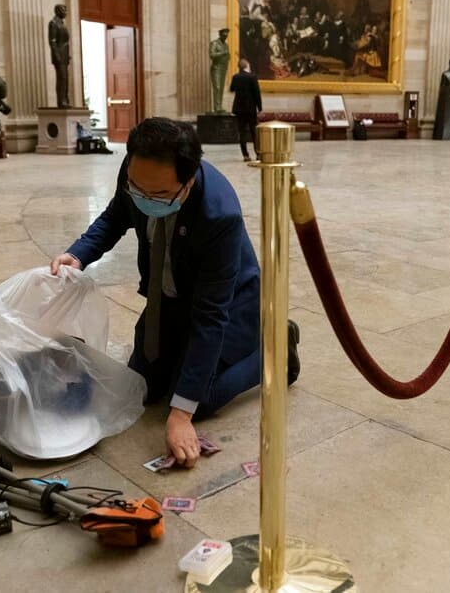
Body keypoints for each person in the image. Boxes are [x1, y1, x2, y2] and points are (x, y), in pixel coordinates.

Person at [49, 118, 300, 469]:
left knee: (201, 399)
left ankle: (276, 348)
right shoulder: (139, 168)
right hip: (169, 297)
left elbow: (212, 315)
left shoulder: (219, 214)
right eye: (138, 189)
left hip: (229, 303)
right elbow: (115, 215)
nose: (146, 198)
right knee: (143, 385)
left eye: (161, 194)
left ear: (190, 179)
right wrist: (78, 254)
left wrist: (182, 416)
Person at [229, 59, 262, 162]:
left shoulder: (235, 77)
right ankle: (258, 154)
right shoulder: (252, 77)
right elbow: (257, 93)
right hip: (250, 108)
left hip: (239, 109)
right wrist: (259, 107)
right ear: (247, 65)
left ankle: (245, 155)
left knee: (242, 132)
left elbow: (231, 89)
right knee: (254, 132)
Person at [49, 4, 71, 107]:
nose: (65, 12)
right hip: (59, 56)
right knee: (61, 78)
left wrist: (67, 55)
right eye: (63, 10)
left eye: (66, 10)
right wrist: (56, 55)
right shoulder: (53, 23)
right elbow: (52, 42)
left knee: (65, 78)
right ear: (57, 11)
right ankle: (61, 101)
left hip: (64, 56)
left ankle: (65, 99)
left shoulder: (62, 23)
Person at [209, 28, 230, 113]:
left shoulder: (226, 45)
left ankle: (219, 106)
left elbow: (226, 54)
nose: (226, 36)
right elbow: (212, 55)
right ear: (220, 34)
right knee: (217, 87)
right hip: (216, 68)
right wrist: (222, 53)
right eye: (224, 35)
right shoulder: (214, 43)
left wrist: (228, 56)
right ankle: (216, 107)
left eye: (227, 35)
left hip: (223, 68)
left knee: (221, 88)